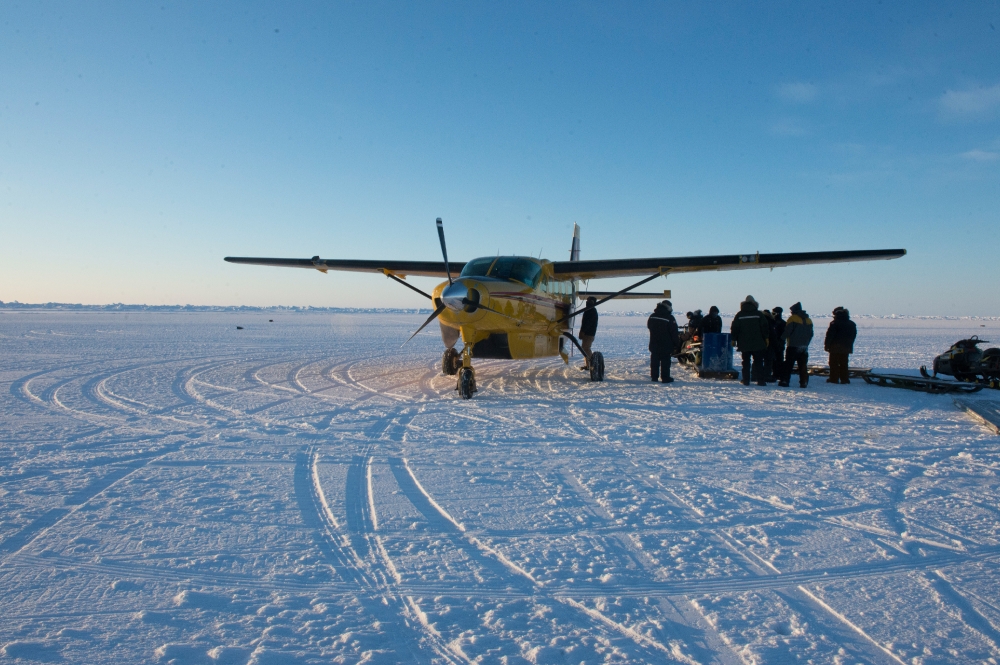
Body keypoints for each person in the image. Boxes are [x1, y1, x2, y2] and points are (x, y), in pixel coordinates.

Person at [730, 295, 769, 386]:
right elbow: (765, 327)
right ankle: (760, 381)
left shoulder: (739, 315)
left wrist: (733, 339)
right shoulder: (759, 314)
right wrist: (766, 338)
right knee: (759, 362)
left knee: (746, 362)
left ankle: (746, 380)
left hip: (744, 343)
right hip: (758, 343)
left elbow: (735, 328)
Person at [780, 302, 814, 388]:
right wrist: (806, 342)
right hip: (804, 346)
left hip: (793, 345)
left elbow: (788, 331)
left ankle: (785, 381)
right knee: (802, 365)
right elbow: (811, 334)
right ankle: (804, 382)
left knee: (788, 364)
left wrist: (781, 339)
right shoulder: (808, 319)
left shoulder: (792, 319)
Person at [647, 300, 679, 383]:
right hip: (666, 344)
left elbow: (649, 326)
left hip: (654, 343)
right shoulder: (669, 318)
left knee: (654, 361)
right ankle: (665, 377)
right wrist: (677, 344)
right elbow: (674, 332)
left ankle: (654, 377)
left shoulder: (652, 316)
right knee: (665, 362)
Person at [825, 306, 857, 384]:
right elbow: (853, 335)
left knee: (833, 363)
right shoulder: (851, 323)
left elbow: (830, 335)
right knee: (844, 363)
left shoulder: (834, 323)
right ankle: (844, 379)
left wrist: (827, 345)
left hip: (835, 347)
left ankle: (834, 378)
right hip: (846, 347)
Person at [579, 296, 599, 370]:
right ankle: (588, 365)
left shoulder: (591, 311)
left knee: (586, 348)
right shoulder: (590, 310)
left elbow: (587, 323)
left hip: (588, 334)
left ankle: (592, 364)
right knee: (585, 348)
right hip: (589, 333)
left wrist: (583, 331)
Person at [770, 306, 786, 382]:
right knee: (778, 360)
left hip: (776, 344)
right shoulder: (783, 323)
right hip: (779, 344)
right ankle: (778, 374)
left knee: (776, 360)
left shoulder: (775, 323)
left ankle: (776, 374)